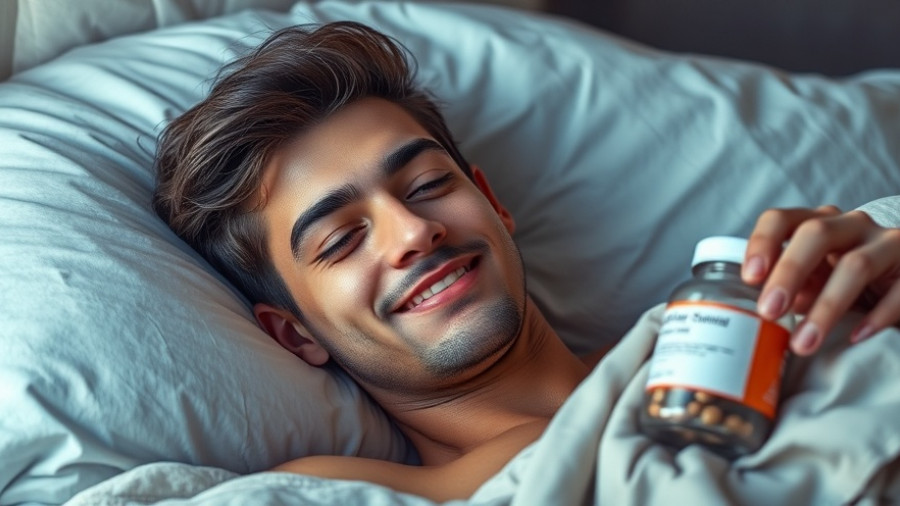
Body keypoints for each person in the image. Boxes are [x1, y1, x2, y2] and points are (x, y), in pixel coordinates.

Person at [152, 21, 900, 501]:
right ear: (294, 335)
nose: (413, 231)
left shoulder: (716, 330)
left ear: (492, 204)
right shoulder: (358, 491)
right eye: (343, 240)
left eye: (426, 186)